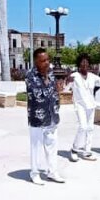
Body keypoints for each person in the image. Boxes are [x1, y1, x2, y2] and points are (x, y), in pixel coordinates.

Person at [25, 48, 65, 185]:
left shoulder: (51, 72)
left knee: (52, 145)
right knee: (35, 146)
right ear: (36, 61)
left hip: (52, 114)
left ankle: (52, 172)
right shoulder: (31, 75)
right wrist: (52, 86)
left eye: (48, 60)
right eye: (43, 61)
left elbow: (54, 90)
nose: (47, 63)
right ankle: (34, 173)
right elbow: (39, 93)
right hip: (37, 117)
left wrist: (58, 89)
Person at [67, 53, 100, 161]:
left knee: (90, 128)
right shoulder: (74, 76)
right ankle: (74, 149)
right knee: (83, 127)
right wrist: (67, 82)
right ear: (79, 64)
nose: (85, 64)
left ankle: (87, 152)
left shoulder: (92, 76)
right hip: (79, 105)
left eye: (87, 62)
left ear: (89, 64)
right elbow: (65, 88)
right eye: (82, 62)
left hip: (91, 105)